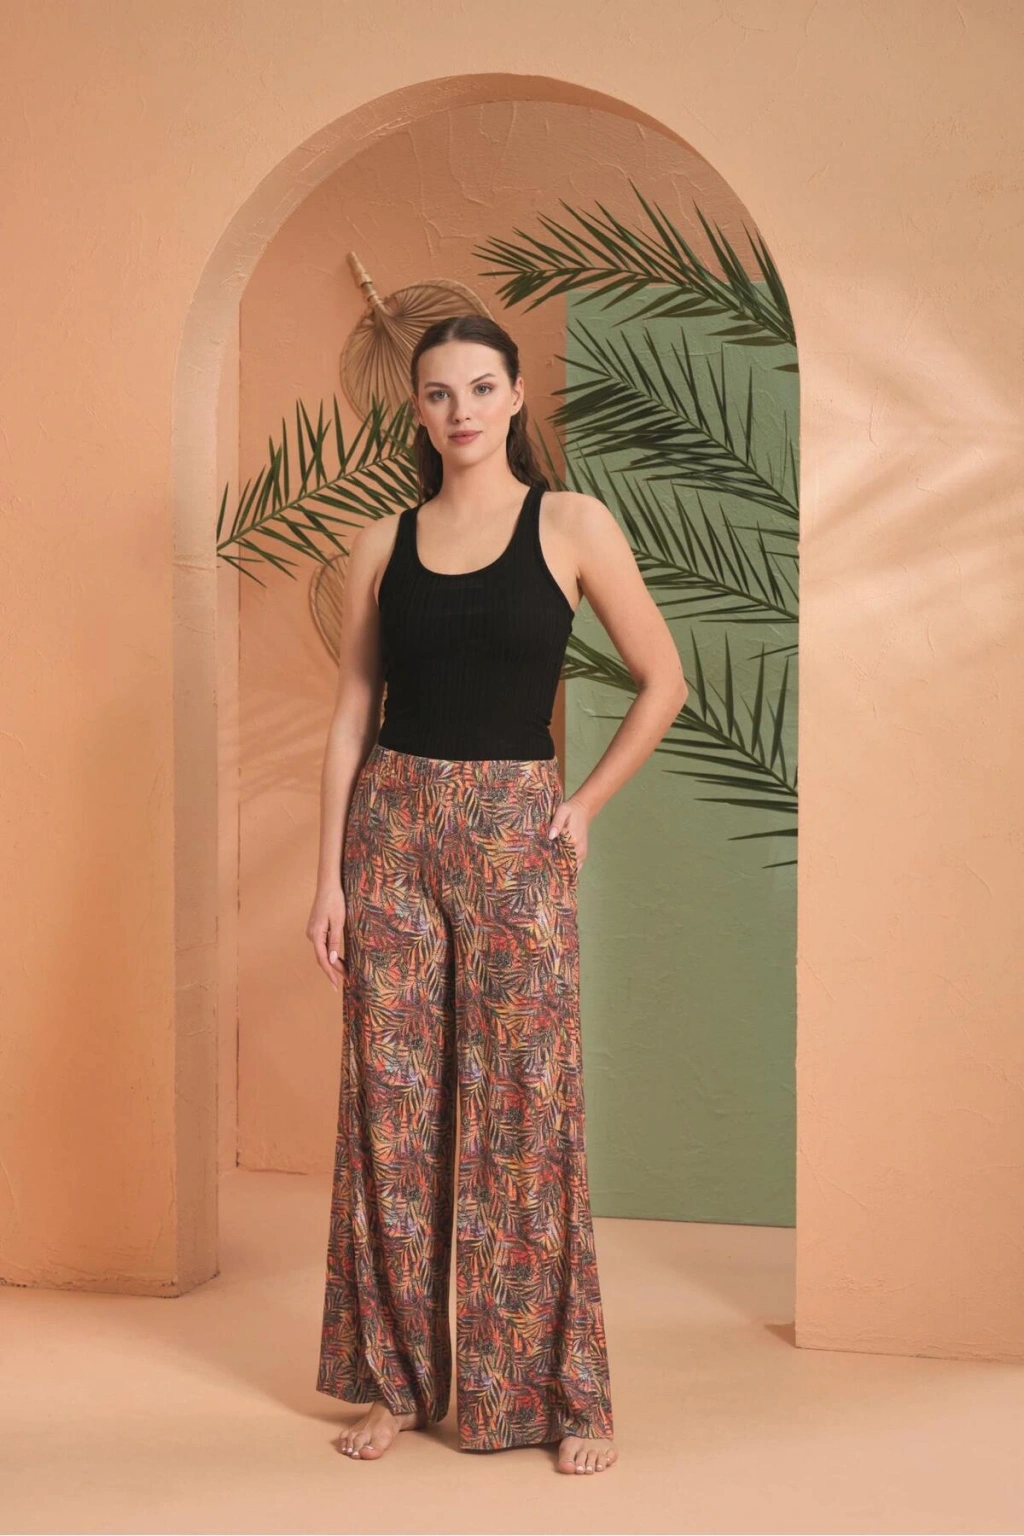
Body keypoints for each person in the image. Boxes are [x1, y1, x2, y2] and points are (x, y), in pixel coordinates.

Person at [307, 313, 687, 1474]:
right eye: (438, 393)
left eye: (481, 387)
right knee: (390, 1114)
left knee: (527, 1109)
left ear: (516, 396)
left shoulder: (571, 525)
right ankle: (394, 1385)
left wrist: (585, 806)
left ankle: (559, 1397)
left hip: (516, 833)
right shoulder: (382, 542)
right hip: (391, 832)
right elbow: (351, 713)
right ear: (417, 411)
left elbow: (663, 679)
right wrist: (328, 876)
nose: (460, 410)